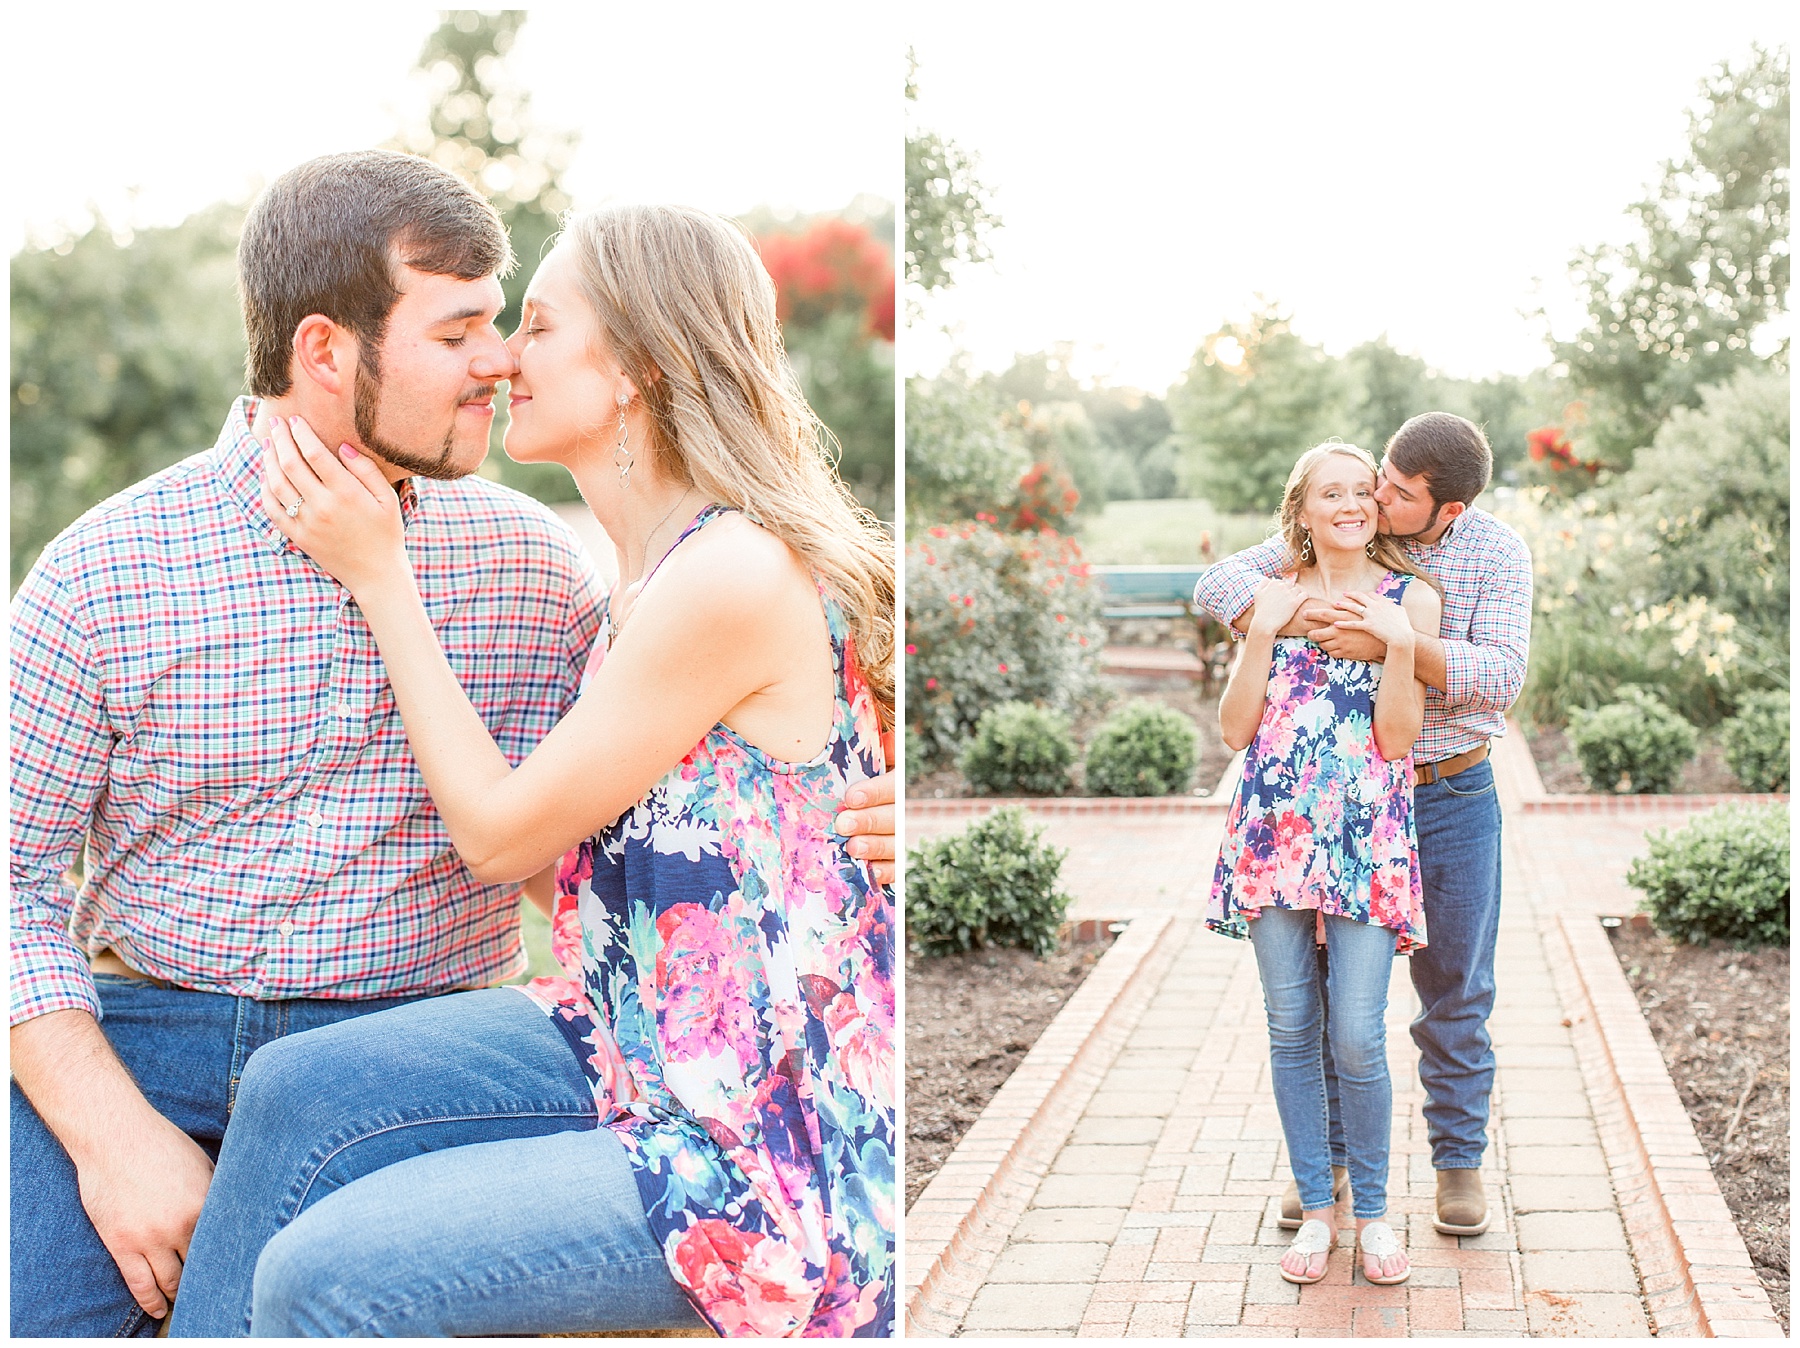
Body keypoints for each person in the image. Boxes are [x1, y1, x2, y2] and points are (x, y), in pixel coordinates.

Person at [9, 151, 896, 1339]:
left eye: (520, 321)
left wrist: (906, 815)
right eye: (467, 328)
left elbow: (563, 829)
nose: (501, 358)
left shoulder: (543, 570)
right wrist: (114, 1139)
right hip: (143, 1033)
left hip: (488, 1036)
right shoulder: (104, 571)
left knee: (319, 1274)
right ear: (327, 351)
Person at [1194, 412, 1532, 1240]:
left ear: (1444, 510)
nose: (1377, 496)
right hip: (1327, 805)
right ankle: (1328, 1162)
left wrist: (1397, 644)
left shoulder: (1491, 554)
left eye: (1397, 491)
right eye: (1376, 476)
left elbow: (1500, 677)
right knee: (1314, 994)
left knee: (1454, 988)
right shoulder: (1345, 522)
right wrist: (1315, 625)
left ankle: (1457, 1161)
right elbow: (1223, 586)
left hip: (1443, 794)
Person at [1208, 442, 1441, 1286]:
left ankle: (1375, 1215)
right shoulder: (1271, 597)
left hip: (1367, 838)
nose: (1348, 503)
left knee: (1356, 1032)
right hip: (1273, 834)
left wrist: (1400, 643)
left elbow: (1398, 739)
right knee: (1290, 1027)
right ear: (1300, 512)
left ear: (1375, 508)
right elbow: (1236, 732)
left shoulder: (1410, 597)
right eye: (1328, 493)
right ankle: (1317, 1210)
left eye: (1359, 491)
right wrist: (1262, 630)